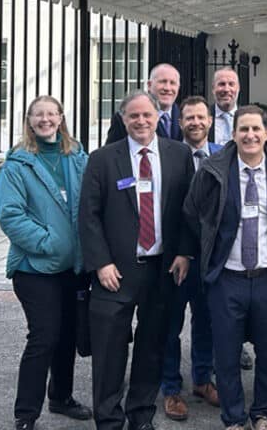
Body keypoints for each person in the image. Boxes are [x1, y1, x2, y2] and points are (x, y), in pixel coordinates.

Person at [80, 90, 195, 430]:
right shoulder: (103, 159)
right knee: (109, 353)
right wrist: (100, 262)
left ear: (159, 116)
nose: (141, 121)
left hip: (162, 269)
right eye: (134, 116)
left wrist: (184, 252)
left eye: (147, 115)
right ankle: (109, 420)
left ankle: (141, 416)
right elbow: (88, 215)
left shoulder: (178, 154)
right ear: (123, 119)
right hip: (115, 271)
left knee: (152, 348)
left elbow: (189, 210)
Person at [184, 105, 267, 430]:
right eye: (243, 129)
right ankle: (234, 417)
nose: (250, 135)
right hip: (227, 278)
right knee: (226, 352)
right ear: (233, 134)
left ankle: (263, 412)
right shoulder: (213, 170)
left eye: (256, 129)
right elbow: (193, 213)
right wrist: (212, 249)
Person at [0, 95, 92, 430]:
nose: (45, 120)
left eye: (51, 114)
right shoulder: (18, 164)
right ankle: (26, 413)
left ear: (61, 117)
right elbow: (10, 215)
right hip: (35, 268)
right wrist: (49, 243)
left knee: (68, 334)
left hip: (74, 267)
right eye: (39, 115)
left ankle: (62, 397)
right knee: (44, 336)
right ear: (29, 120)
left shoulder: (77, 156)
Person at [161, 96, 222, 421]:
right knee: (170, 324)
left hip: (212, 258)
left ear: (210, 120)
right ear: (180, 122)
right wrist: (180, 250)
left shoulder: (224, 155)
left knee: (207, 321)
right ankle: (170, 387)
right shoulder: (169, 155)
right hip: (175, 258)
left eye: (201, 117)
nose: (195, 122)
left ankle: (202, 379)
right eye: (189, 118)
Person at [106, 63, 183, 144]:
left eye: (173, 83)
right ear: (149, 85)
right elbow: (111, 153)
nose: (167, 88)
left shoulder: (185, 116)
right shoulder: (122, 118)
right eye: (162, 82)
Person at [209, 68, 240, 145]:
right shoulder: (204, 117)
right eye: (222, 84)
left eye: (231, 84)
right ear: (213, 88)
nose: (226, 89)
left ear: (238, 88)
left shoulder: (247, 117)